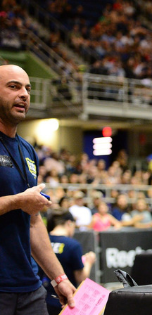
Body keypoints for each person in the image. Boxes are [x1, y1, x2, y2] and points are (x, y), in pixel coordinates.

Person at [0, 64, 76, 314]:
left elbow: (33, 221)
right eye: (13, 87)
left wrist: (59, 278)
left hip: (29, 288)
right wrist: (16, 202)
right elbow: (21, 204)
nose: (24, 94)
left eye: (28, 89)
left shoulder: (28, 150)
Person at [42, 210, 96, 315]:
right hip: (65, 300)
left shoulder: (43, 241)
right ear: (69, 223)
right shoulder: (72, 245)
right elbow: (81, 278)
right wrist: (89, 262)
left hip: (43, 298)